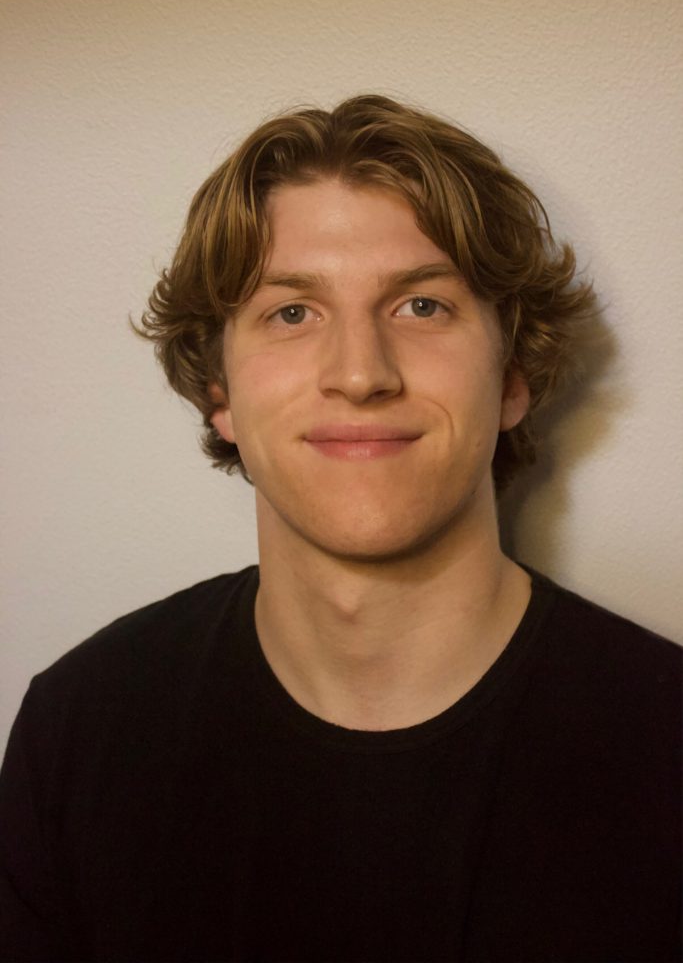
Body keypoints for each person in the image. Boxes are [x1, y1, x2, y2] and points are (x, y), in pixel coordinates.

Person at [1, 95, 680, 963]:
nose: (359, 373)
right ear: (220, 395)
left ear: (511, 378)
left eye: (421, 306)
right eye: (292, 312)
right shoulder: (79, 731)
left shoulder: (664, 750)